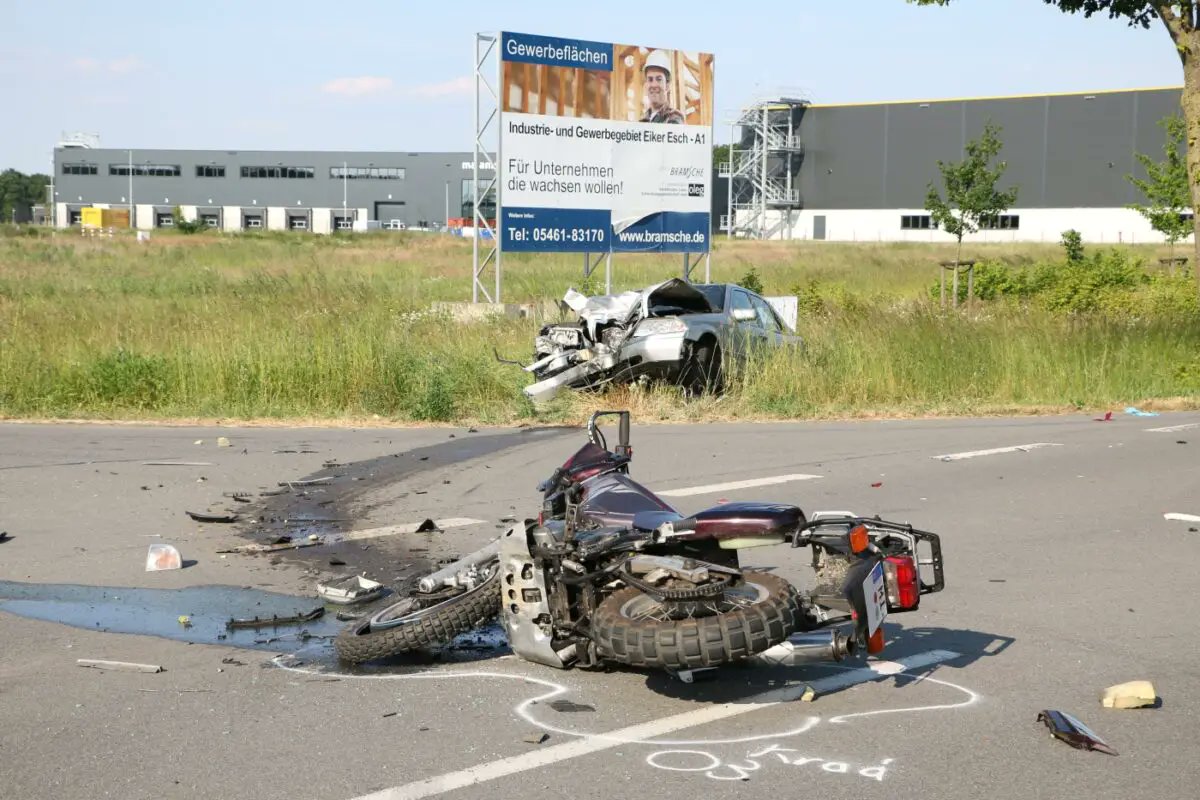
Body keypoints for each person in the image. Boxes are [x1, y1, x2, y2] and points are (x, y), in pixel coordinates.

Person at [639, 50, 684, 124]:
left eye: (659, 79)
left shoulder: (674, 118)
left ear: (667, 85)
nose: (654, 85)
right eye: (650, 79)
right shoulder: (642, 121)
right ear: (646, 85)